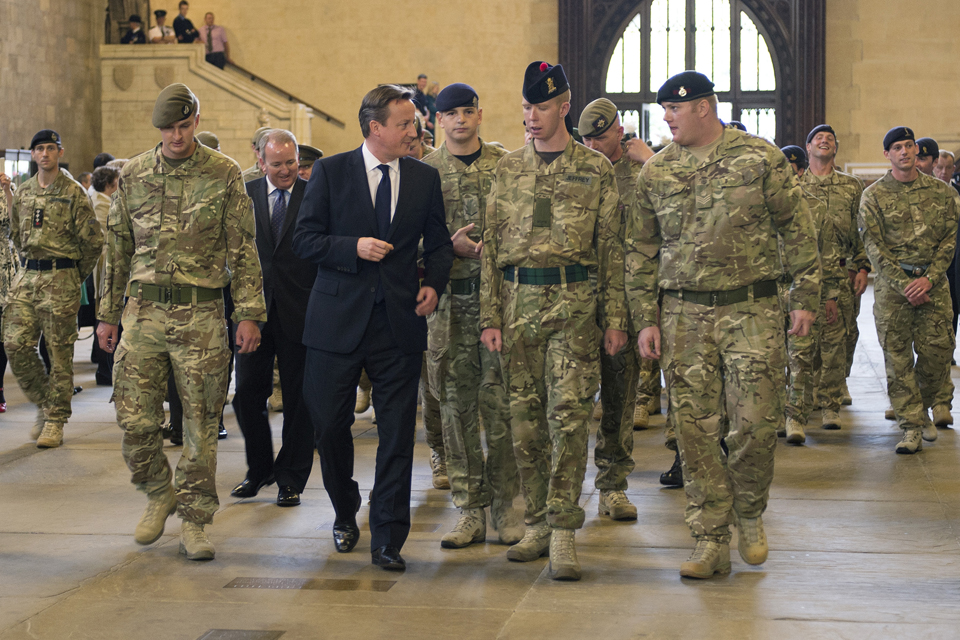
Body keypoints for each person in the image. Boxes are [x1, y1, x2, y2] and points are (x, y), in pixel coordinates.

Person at [626, 71, 820, 579]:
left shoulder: (759, 158)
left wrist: (805, 297)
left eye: (673, 108)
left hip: (751, 309)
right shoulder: (656, 173)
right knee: (693, 431)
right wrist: (646, 318)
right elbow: (641, 252)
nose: (665, 118)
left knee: (755, 423)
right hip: (683, 316)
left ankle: (750, 511)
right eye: (663, 109)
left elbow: (796, 228)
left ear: (703, 108)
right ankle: (709, 536)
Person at [96, 83, 265, 561]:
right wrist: (107, 315)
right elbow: (119, 249)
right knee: (134, 419)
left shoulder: (224, 173)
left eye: (184, 126)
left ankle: (194, 520)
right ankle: (156, 492)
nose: (176, 135)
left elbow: (243, 248)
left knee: (201, 423)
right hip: (143, 314)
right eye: (168, 128)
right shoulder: (134, 172)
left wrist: (249, 313)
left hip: (203, 315)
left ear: (195, 122)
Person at [293, 84, 453, 571]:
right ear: (374, 128)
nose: (415, 130)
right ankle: (345, 510)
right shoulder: (331, 170)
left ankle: (388, 537)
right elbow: (304, 239)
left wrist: (435, 286)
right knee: (329, 426)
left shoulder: (424, 178)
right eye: (404, 123)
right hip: (335, 324)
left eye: (415, 122)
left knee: (399, 434)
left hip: (398, 325)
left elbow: (440, 245)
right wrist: (351, 248)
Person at [480, 61, 627, 581]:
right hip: (519, 308)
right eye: (525, 107)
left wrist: (615, 319)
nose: (531, 117)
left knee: (567, 419)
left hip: (575, 306)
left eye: (541, 106)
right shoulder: (507, 169)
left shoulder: (595, 170)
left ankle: (563, 529)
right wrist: (490, 316)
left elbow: (611, 251)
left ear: (564, 106)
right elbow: (491, 251)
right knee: (525, 423)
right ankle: (537, 521)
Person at [422, 83, 523, 549]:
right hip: (447, 307)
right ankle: (468, 510)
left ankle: (507, 506)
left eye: (467, 112)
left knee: (501, 407)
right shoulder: (422, 173)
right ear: (437, 121)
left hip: (497, 306)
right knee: (455, 409)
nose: (460, 120)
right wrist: (448, 246)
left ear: (480, 116)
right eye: (451, 114)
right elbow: (405, 241)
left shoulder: (508, 165)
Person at [859, 127, 959, 453]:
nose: (904, 151)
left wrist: (928, 279)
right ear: (887, 154)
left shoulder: (943, 193)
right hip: (893, 289)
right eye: (897, 147)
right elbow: (873, 247)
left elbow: (949, 239)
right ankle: (911, 426)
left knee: (938, 353)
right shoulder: (873, 196)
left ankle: (921, 407)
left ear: (917, 150)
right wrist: (905, 285)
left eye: (909, 145)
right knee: (897, 360)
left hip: (933, 285)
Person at [230, 129, 316, 507]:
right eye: (277, 164)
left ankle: (291, 477)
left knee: (299, 400)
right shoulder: (243, 197)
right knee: (247, 394)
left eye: (292, 163)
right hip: (253, 314)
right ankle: (259, 468)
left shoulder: (315, 196)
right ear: (260, 162)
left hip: (302, 312)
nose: (286, 171)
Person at [4, 130, 102, 448]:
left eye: (50, 148)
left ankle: (55, 421)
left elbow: (93, 241)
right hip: (29, 276)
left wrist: (74, 275)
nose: (44, 153)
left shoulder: (73, 192)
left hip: (61, 278)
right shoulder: (25, 192)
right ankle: (45, 404)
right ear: (32, 155)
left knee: (60, 354)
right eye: (39, 149)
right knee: (14, 343)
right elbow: (18, 235)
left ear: (60, 152)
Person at [577, 97, 642, 522]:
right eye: (588, 139)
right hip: (579, 299)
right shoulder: (576, 169)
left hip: (627, 297)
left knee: (619, 396)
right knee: (569, 400)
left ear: (620, 130)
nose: (594, 146)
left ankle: (613, 484)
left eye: (601, 137)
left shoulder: (643, 172)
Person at [801, 125, 869, 430]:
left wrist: (862, 266)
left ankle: (832, 394)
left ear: (836, 149)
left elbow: (860, 230)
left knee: (840, 337)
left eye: (830, 139)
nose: (824, 141)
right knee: (804, 338)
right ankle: (809, 392)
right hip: (804, 274)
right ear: (808, 148)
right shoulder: (795, 187)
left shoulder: (851, 186)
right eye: (819, 138)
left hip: (842, 272)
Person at [90, 166, 120, 386]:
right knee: (106, 318)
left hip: (106, 265)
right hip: (105, 267)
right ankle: (105, 369)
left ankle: (105, 367)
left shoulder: (102, 201)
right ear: (110, 184)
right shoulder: (102, 204)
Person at [0, 173, 19, 412]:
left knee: (2, 334)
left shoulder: (8, 189)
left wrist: (7, 191)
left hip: (4, 266)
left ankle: (0, 387)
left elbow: (18, 224)